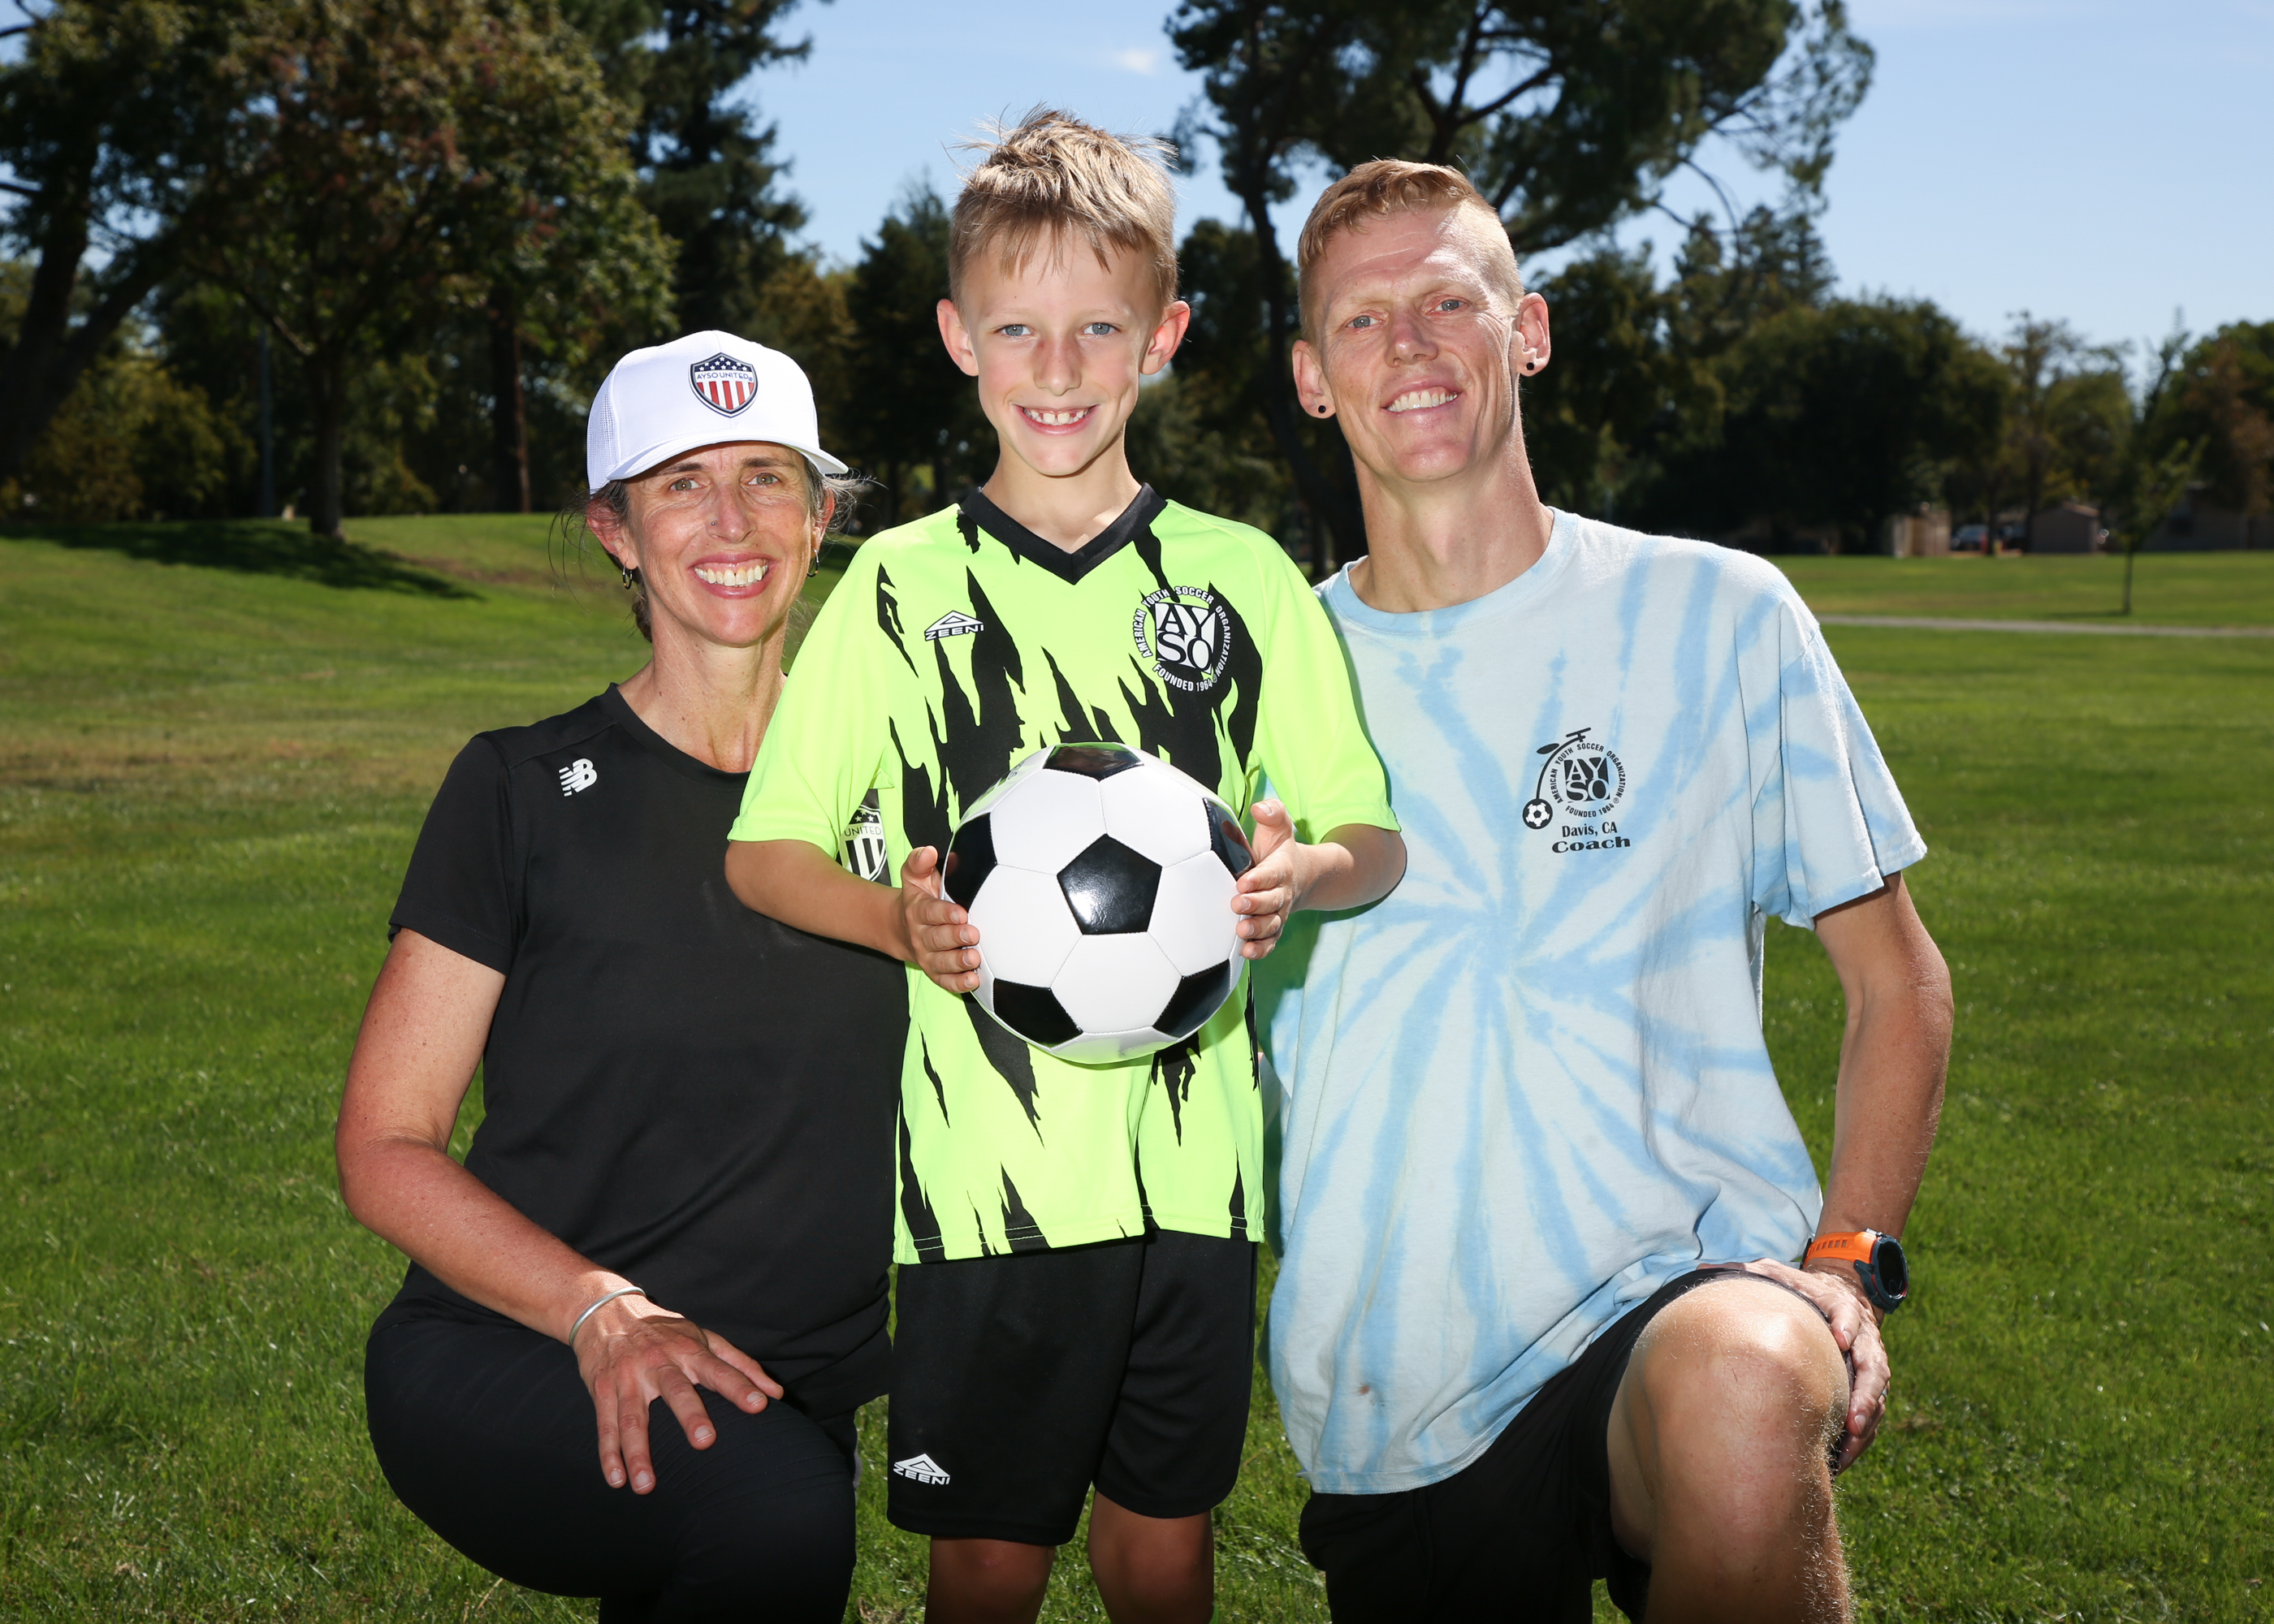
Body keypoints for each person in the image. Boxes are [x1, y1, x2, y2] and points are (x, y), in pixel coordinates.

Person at [723, 110, 1406, 1624]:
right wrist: (898, 924)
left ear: (1162, 337)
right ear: (958, 337)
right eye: (1018, 328)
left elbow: (1371, 837)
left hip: (1198, 1178)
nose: (1057, 366)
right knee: (989, 1558)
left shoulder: (1243, 579)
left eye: (1099, 327)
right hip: (988, 1187)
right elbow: (765, 854)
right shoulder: (897, 583)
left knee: (1164, 1546)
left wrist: (1303, 875)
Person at [1254, 162, 1954, 1623]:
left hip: (1683, 1287)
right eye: (1363, 320)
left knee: (1742, 1393)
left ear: (1529, 333)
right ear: (1314, 379)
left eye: (1450, 301)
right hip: (1394, 1367)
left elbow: (1897, 980)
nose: (1411, 343)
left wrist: (1848, 1259)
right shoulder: (1260, 681)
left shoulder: (1720, 615)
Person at [336, 332, 905, 1623]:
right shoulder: (519, 791)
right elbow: (384, 1146)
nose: (731, 520)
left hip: (781, 1381)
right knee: (772, 1516)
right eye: (682, 483)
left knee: (749, 1507)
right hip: (520, 1347)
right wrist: (600, 1312)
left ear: (820, 516)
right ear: (616, 530)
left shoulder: (900, 788)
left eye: (766, 477)